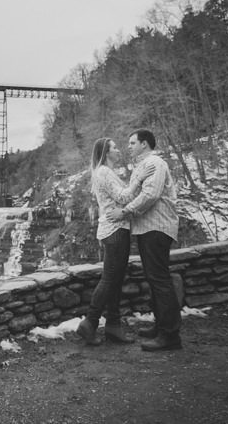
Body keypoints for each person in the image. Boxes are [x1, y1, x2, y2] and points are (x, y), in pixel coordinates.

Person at [105, 128, 182, 351]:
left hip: (157, 227)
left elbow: (150, 195)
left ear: (144, 144)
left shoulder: (154, 163)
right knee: (155, 278)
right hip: (148, 228)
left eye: (132, 143)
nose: (128, 146)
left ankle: (170, 335)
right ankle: (161, 326)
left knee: (159, 279)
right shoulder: (143, 166)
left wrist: (124, 212)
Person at [76, 138, 135, 345]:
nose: (119, 150)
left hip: (117, 229)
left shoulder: (106, 172)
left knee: (115, 279)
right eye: (115, 148)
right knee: (110, 278)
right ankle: (90, 323)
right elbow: (123, 197)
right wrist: (138, 180)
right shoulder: (104, 172)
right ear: (106, 152)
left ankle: (113, 326)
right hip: (115, 230)